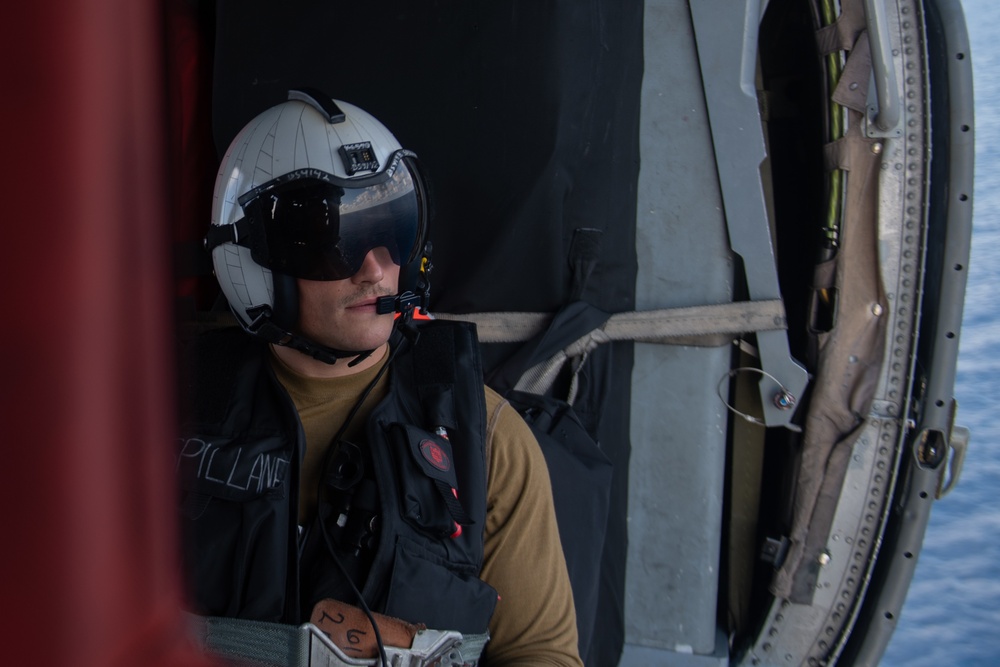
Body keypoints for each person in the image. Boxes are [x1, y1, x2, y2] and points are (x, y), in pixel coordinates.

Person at [177, 89, 582, 667]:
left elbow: (542, 653)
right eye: (331, 243)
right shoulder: (162, 418)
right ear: (251, 258)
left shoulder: (486, 442)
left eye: (392, 230)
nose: (376, 269)